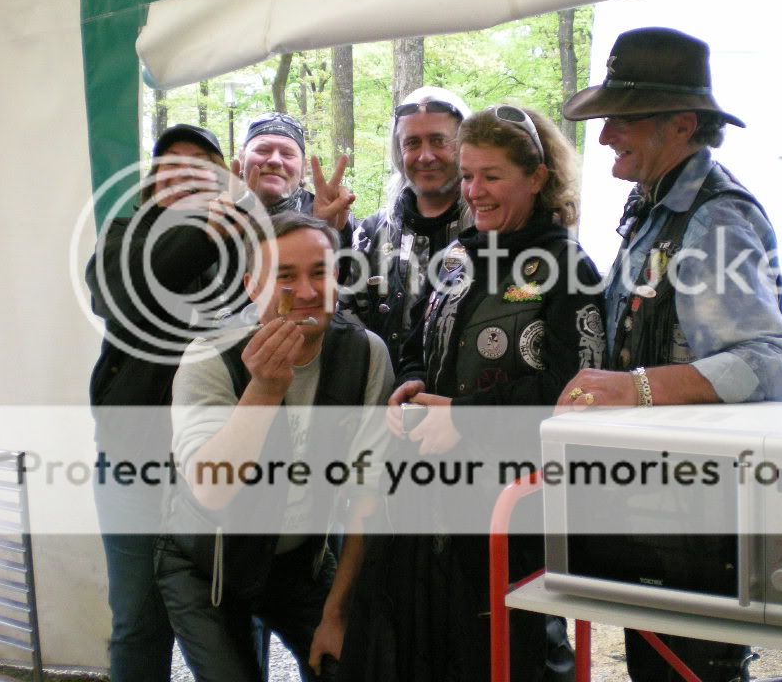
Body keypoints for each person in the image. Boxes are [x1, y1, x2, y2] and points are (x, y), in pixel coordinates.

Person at [557, 27, 782, 682]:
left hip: (702, 524)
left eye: (623, 119)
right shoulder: (655, 211)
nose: (605, 135)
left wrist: (633, 387)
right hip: (663, 519)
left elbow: (771, 360)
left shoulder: (713, 218)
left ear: (683, 125)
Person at [339, 105, 606, 682]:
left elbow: (576, 395)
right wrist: (411, 383)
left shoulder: (569, 268)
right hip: (434, 500)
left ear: (537, 178)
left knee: (516, 650)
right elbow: (418, 342)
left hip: (517, 510)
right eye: (467, 175)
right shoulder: (458, 255)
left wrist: (467, 417)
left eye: (491, 176)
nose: (474, 190)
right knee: (434, 648)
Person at [155, 212, 393, 682]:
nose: (306, 292)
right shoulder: (210, 356)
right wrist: (263, 390)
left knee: (353, 667)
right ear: (251, 287)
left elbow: (367, 498)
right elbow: (211, 490)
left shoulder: (365, 354)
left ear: (338, 276)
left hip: (297, 560)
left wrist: (337, 613)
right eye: (285, 277)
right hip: (206, 564)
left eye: (320, 272)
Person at [87, 124, 243, 682]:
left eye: (202, 167)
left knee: (229, 614)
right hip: (135, 460)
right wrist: (207, 231)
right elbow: (127, 295)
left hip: (221, 463)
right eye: (171, 168)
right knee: (138, 619)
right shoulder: (121, 237)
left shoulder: (245, 245)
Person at [341, 86, 472, 370]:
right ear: (399, 153)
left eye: (439, 140)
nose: (425, 156)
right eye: (412, 143)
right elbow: (346, 326)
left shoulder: (488, 230)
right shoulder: (372, 234)